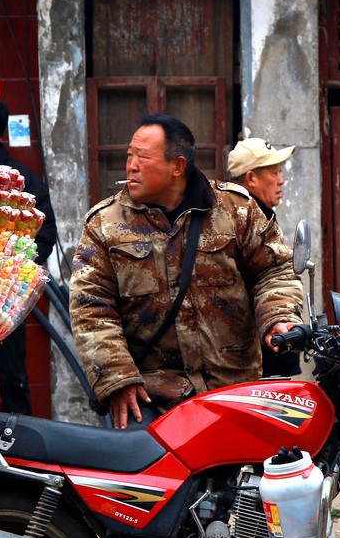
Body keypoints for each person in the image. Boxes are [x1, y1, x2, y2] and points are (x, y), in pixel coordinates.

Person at [70, 114, 304, 431]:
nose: (131, 167)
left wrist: (278, 316)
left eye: (143, 158)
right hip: (152, 396)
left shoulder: (235, 210)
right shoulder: (104, 225)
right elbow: (91, 307)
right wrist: (117, 377)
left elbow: (273, 271)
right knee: (144, 462)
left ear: (178, 166)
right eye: (129, 156)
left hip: (234, 389)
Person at [0, 93, 57, 416]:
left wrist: (11, 274)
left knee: (12, 372)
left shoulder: (22, 180)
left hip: (5, 294)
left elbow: (44, 234)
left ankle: (16, 436)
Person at [226, 137, 301, 377]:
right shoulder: (238, 222)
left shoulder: (262, 215)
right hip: (253, 357)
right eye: (274, 173)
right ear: (251, 179)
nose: (281, 180)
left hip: (268, 342)